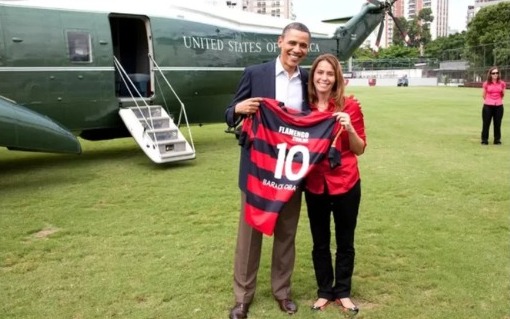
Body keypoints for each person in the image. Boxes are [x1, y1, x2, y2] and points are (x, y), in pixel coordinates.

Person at [224, 22, 311, 319]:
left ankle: (282, 292)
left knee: (286, 235)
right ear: (280, 42)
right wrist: (238, 109)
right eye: (293, 43)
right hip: (257, 173)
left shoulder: (308, 80)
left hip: (291, 172)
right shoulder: (255, 74)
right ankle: (242, 298)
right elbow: (228, 112)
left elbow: (316, 119)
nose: (297, 50)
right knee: (249, 238)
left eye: (303, 45)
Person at [303, 53, 366, 316]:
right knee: (319, 242)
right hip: (315, 184)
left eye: (330, 74)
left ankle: (342, 291)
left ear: (337, 78)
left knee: (345, 241)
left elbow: (360, 149)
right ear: (313, 76)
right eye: (320, 73)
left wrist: (349, 128)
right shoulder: (302, 108)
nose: (324, 78)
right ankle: (323, 291)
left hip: (346, 183)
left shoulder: (350, 106)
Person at [481, 66, 506, 145]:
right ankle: (484, 140)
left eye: (497, 73)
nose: (495, 74)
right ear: (490, 74)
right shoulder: (486, 83)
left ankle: (497, 140)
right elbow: (484, 95)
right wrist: (490, 101)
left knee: (497, 123)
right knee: (486, 123)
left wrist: (497, 100)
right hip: (488, 106)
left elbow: (503, 94)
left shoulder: (502, 83)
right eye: (493, 73)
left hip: (499, 105)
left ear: (499, 74)